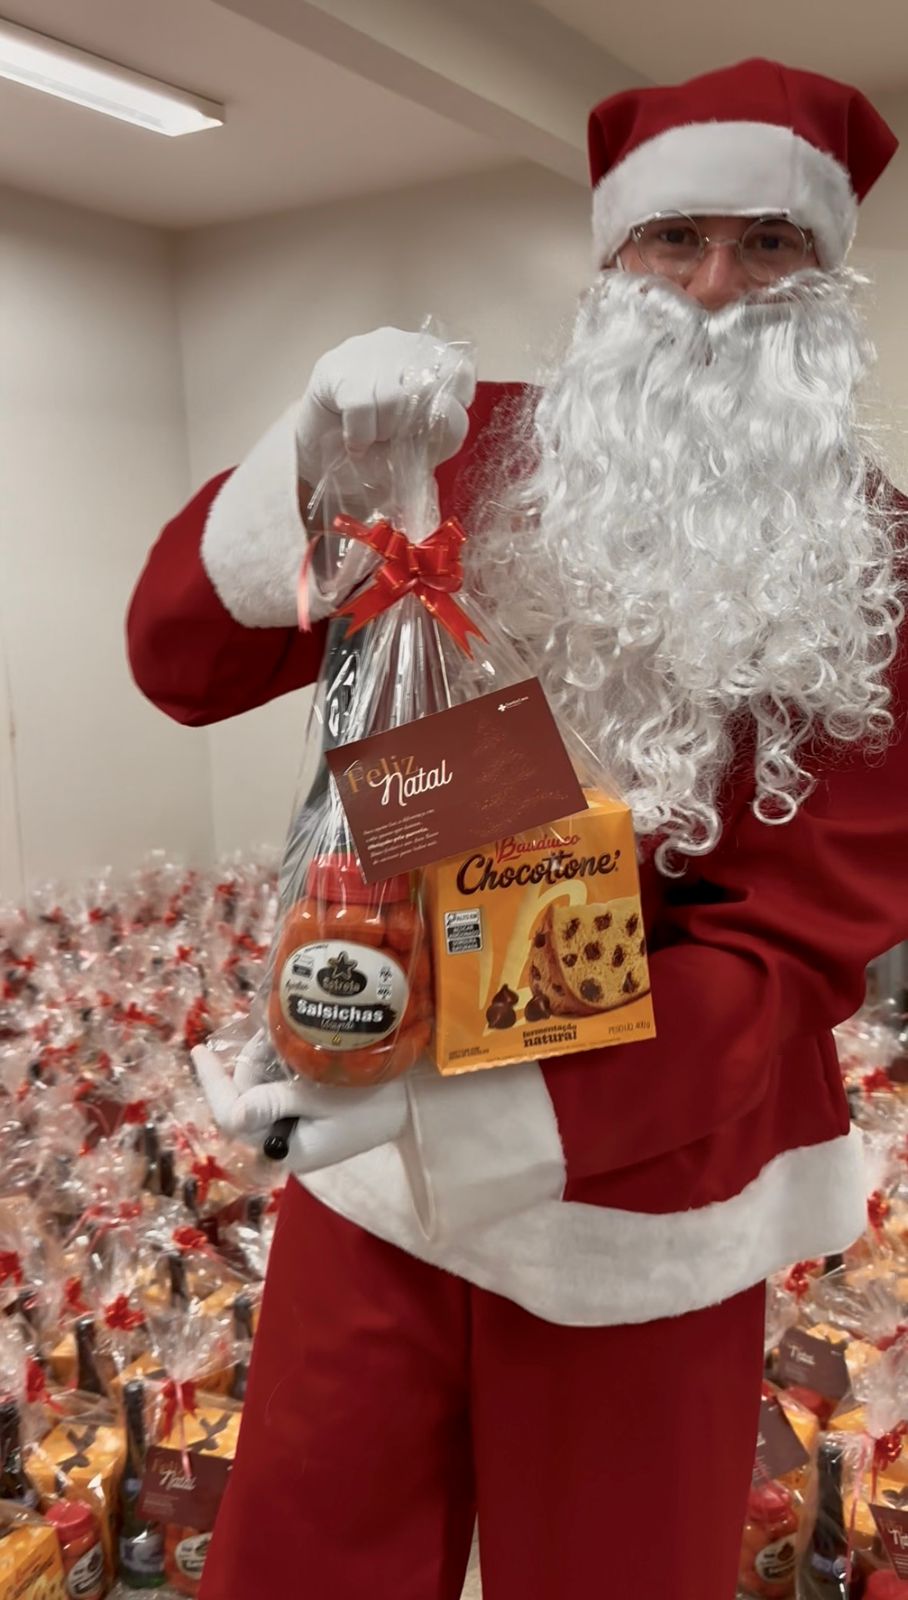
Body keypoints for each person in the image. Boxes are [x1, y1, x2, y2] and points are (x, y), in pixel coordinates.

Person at [128, 57, 908, 1600]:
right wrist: (309, 456)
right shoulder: (464, 446)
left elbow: (788, 951)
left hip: (645, 1203)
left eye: (767, 245)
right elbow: (182, 660)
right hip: (372, 1148)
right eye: (673, 239)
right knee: (301, 1561)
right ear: (611, 261)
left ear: (825, 281)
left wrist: (461, 1107)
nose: (713, 288)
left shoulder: (875, 564)